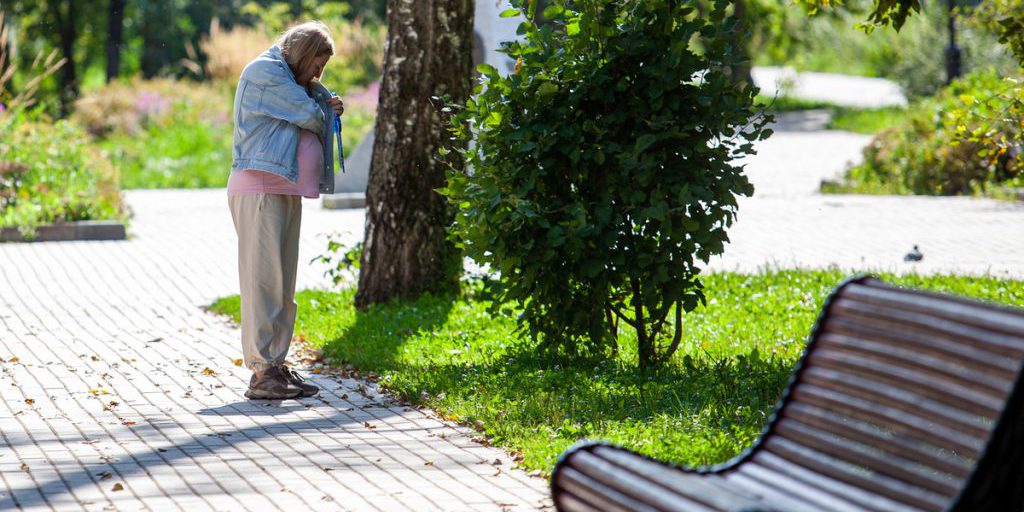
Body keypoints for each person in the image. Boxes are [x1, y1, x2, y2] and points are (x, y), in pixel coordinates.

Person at [227, 21, 344, 400]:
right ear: (304, 53)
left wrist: (322, 103)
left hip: (283, 188)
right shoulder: (264, 72)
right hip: (260, 188)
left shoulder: (289, 78)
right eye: (317, 65)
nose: (318, 74)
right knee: (263, 284)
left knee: (282, 287)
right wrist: (324, 105)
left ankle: (275, 365)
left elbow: (314, 110)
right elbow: (310, 116)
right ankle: (262, 373)